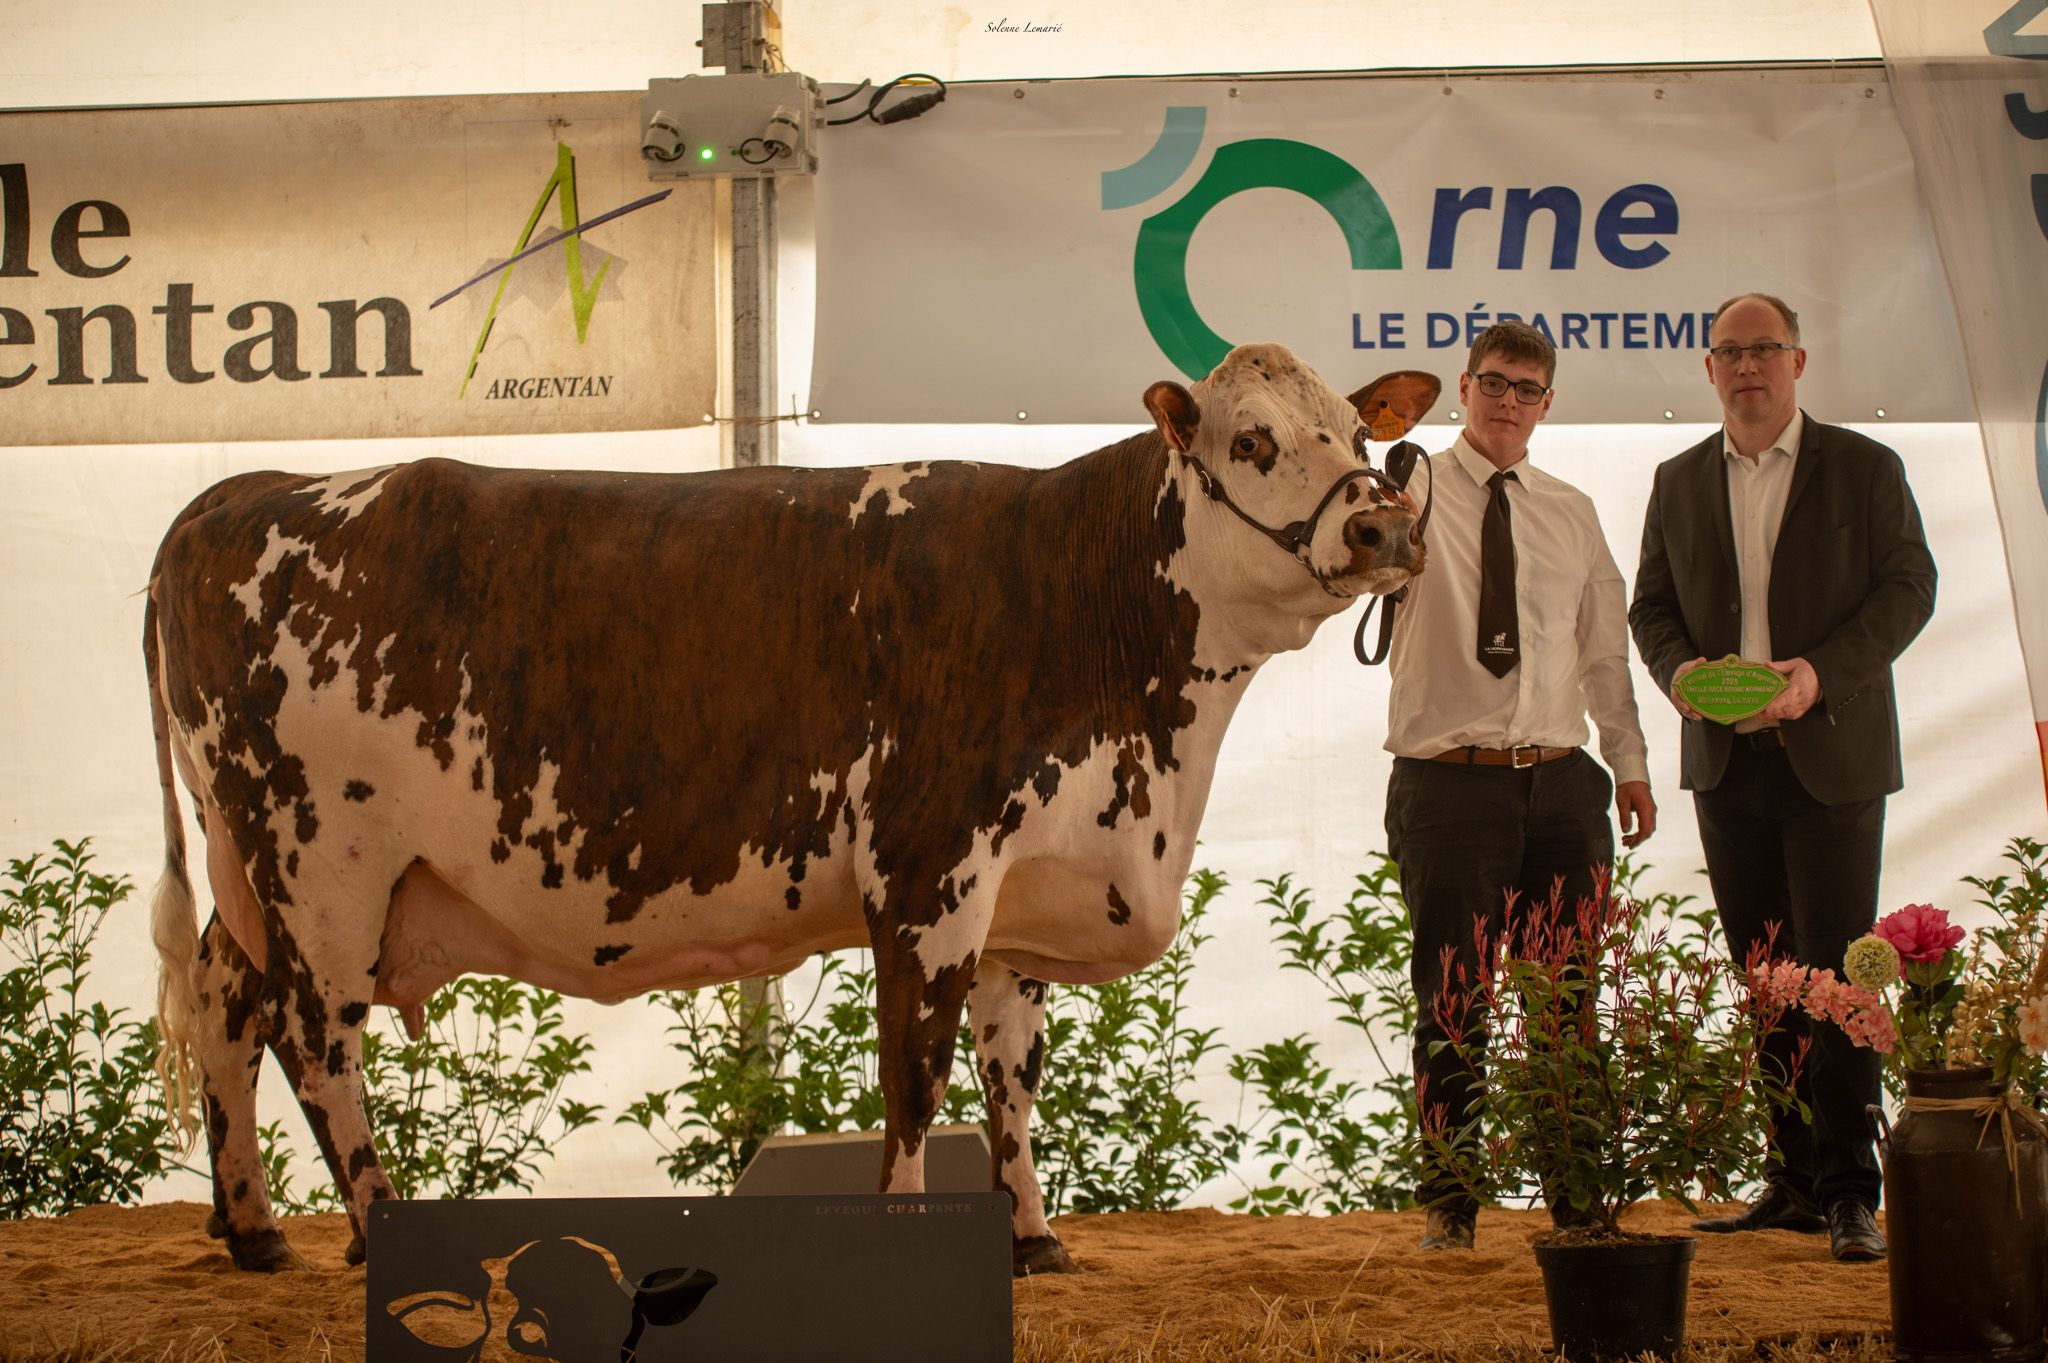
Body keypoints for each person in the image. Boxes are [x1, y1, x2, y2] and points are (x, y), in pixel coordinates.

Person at [1629, 292, 1936, 1263]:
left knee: (1838, 976)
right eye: (1730, 351)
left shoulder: (1863, 466)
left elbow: (1910, 587)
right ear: (1707, 369)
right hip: (1727, 765)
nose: (1747, 366)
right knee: (1764, 977)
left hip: (1831, 755)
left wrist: (1821, 674)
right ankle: (1794, 1181)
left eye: (1765, 348)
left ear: (1797, 361)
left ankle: (1851, 1192)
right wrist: (1676, 672)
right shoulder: (1677, 479)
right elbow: (1649, 607)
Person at [1385, 319, 1656, 1251]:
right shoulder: (1410, 485)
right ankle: (1451, 1207)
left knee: (1567, 1005)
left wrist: (1629, 764)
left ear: (1547, 404)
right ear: (1463, 388)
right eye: (1493, 383)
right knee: (1452, 1000)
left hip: (1562, 785)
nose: (1508, 401)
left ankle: (1577, 1201)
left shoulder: (1572, 511)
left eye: (1526, 389)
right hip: (1447, 785)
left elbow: (1605, 653)